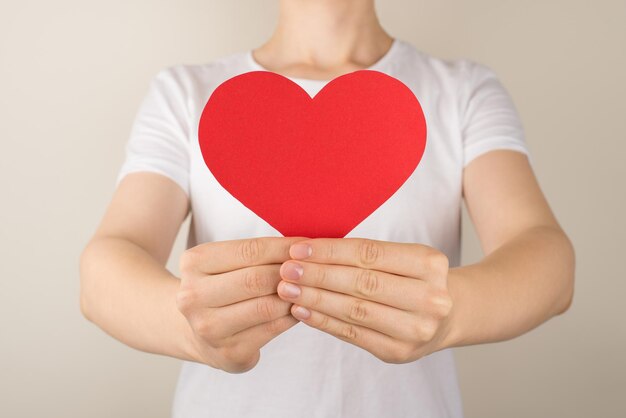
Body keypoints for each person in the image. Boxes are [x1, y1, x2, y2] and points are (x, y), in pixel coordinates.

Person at [79, 0, 575, 417]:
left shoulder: (462, 91)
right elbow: (106, 267)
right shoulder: (186, 93)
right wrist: (188, 329)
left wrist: (454, 311)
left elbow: (546, 260)